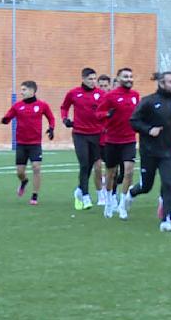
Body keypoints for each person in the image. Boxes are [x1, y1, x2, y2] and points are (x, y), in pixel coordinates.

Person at [121, 71, 171, 232]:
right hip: (149, 151)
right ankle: (131, 194)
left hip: (169, 152)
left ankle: (166, 220)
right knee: (147, 186)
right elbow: (134, 121)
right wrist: (148, 129)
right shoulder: (148, 102)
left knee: (168, 183)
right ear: (162, 84)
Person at [1, 80, 55, 205]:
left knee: (36, 168)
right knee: (20, 172)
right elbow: (8, 116)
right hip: (21, 143)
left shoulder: (42, 105)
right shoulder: (17, 106)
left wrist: (51, 128)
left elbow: (51, 118)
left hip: (35, 144)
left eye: (24, 90)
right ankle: (24, 181)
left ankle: (34, 196)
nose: (21, 92)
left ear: (32, 91)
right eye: (21, 89)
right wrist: (5, 120)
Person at [97, 68, 140, 219]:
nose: (129, 79)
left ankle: (122, 205)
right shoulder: (110, 96)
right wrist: (107, 114)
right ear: (119, 78)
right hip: (112, 140)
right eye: (125, 76)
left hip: (129, 140)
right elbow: (98, 113)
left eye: (131, 76)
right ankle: (109, 201)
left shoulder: (135, 95)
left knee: (129, 171)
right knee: (111, 174)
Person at [60, 67, 105, 210]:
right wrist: (65, 118)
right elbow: (64, 107)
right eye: (90, 79)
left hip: (97, 134)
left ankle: (79, 190)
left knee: (92, 165)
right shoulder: (74, 93)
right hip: (80, 134)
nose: (93, 82)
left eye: (94, 79)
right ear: (83, 79)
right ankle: (86, 196)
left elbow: (107, 110)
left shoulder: (101, 94)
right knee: (84, 163)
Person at [94, 74, 113, 205]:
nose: (103, 88)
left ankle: (110, 194)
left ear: (109, 86)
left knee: (112, 169)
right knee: (97, 167)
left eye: (105, 86)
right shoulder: (94, 100)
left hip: (111, 139)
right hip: (96, 138)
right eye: (100, 86)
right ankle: (100, 195)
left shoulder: (113, 99)